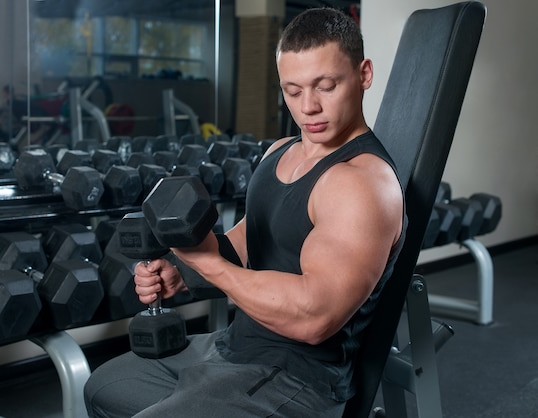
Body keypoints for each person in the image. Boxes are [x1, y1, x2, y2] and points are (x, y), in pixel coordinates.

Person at [84, 7, 406, 418]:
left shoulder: (361, 183)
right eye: (293, 90)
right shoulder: (279, 153)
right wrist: (182, 273)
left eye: (326, 86)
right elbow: (244, 241)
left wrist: (209, 265)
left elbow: (315, 318)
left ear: (363, 75)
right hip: (233, 346)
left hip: (297, 377)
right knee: (103, 387)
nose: (308, 107)